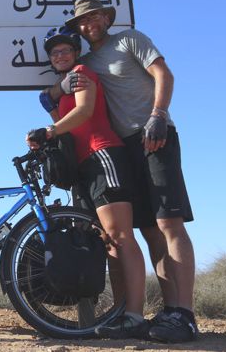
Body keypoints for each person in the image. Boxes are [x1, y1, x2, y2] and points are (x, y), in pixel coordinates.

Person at [57, 0, 198, 343]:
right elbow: (74, 85)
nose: (89, 25)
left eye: (94, 18)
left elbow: (163, 73)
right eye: (82, 22)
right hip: (123, 149)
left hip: (155, 134)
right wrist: (56, 88)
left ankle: (185, 313)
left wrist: (159, 115)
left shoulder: (130, 39)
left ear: (106, 18)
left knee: (169, 222)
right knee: (149, 229)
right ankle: (166, 312)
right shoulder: (86, 61)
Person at [27, 26, 147, 339]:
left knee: (120, 236)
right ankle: (121, 313)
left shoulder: (82, 72)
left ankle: (135, 315)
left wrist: (49, 132)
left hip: (102, 154)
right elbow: (47, 102)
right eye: (54, 53)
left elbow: (84, 111)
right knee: (107, 243)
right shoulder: (64, 85)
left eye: (66, 49)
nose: (60, 55)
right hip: (83, 165)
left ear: (76, 53)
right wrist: (53, 97)